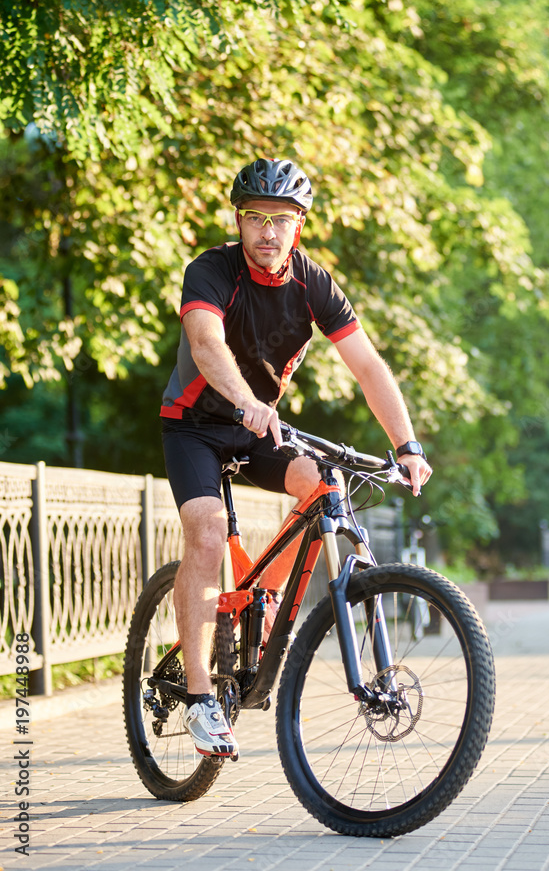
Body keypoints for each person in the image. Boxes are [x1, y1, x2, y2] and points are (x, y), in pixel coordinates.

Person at [160, 157, 432, 759]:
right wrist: (246, 400)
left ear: (298, 226)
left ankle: (264, 593)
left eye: (280, 220)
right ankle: (202, 700)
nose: (267, 231)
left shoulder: (313, 283)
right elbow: (205, 342)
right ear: (239, 220)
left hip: (262, 427)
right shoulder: (211, 269)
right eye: (256, 218)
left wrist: (406, 445)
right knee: (205, 534)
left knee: (321, 487)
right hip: (196, 426)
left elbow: (367, 365)